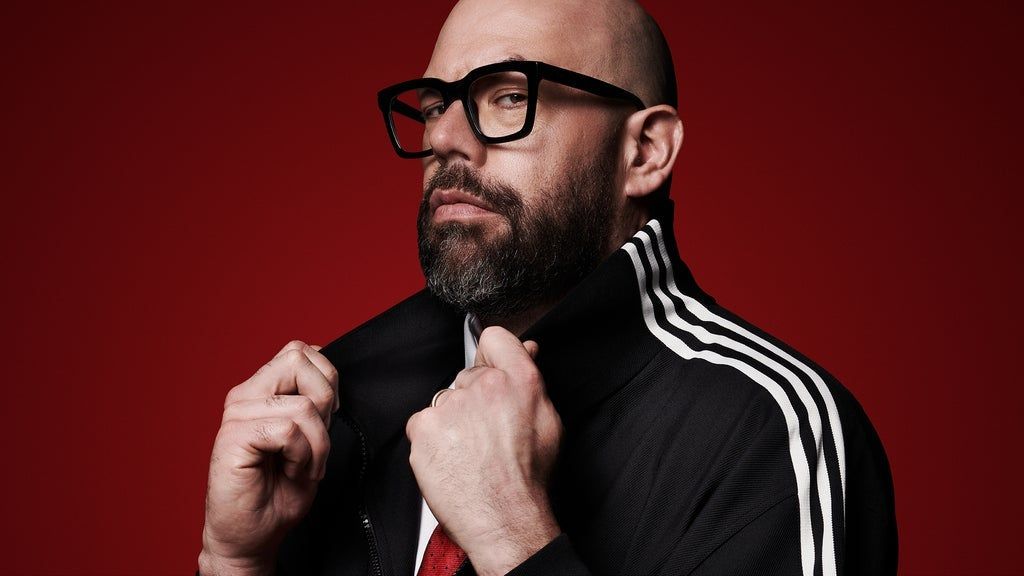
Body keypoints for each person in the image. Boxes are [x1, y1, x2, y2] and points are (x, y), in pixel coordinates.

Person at [197, 0, 898, 574]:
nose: (446, 139)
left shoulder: (771, 433)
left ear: (645, 152)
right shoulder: (334, 414)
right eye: (436, 105)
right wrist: (234, 562)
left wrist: (513, 539)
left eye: (508, 97)